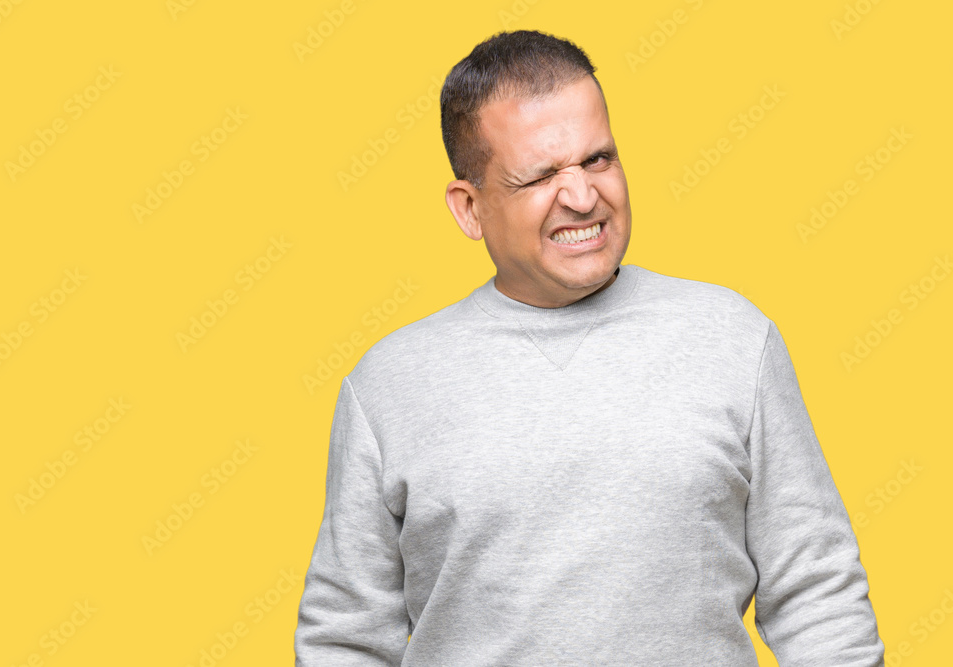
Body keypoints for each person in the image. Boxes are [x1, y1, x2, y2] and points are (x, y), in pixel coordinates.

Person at [295, 29, 885, 666]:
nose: (582, 197)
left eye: (598, 159)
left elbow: (818, 596)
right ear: (469, 208)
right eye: (540, 175)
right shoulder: (389, 385)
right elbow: (345, 640)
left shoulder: (734, 339)